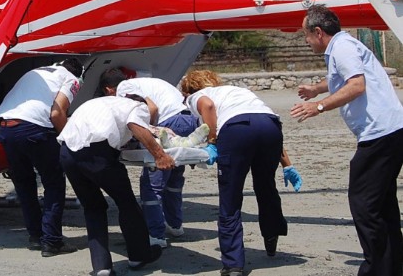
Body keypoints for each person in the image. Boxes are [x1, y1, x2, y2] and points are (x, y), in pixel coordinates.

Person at [289, 4, 403, 276]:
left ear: (318, 32)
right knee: (382, 204)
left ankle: (377, 268)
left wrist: (318, 106)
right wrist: (316, 89)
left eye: (305, 35)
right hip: (388, 132)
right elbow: (340, 78)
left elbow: (356, 85)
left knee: (363, 204)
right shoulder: (342, 47)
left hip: (381, 134)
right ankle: (393, 265)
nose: (305, 41)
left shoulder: (342, 47)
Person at [180, 70, 300, 276]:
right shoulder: (237, 91)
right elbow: (259, 123)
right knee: (265, 186)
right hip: (271, 126)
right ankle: (271, 236)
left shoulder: (194, 96)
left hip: (236, 131)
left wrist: (212, 142)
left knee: (231, 196)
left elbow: (207, 106)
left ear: (190, 89)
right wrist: (287, 164)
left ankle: (233, 264)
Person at [57, 94, 173, 276]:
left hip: (67, 153)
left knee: (93, 208)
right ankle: (139, 256)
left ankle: (101, 267)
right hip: (97, 154)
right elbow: (135, 126)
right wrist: (160, 155)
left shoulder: (99, 102)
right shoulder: (137, 107)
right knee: (126, 203)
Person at [98, 68, 200, 248]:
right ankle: (175, 225)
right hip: (186, 121)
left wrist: (148, 132)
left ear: (108, 90)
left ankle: (155, 235)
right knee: (173, 177)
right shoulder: (144, 82)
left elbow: (151, 108)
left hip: (169, 122)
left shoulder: (124, 89)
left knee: (152, 183)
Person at [0, 58, 84, 257]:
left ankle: (35, 236)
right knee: (53, 183)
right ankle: (52, 241)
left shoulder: (39, 71)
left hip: (6, 128)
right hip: (33, 129)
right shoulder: (71, 79)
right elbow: (57, 112)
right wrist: (69, 139)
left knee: (25, 185)